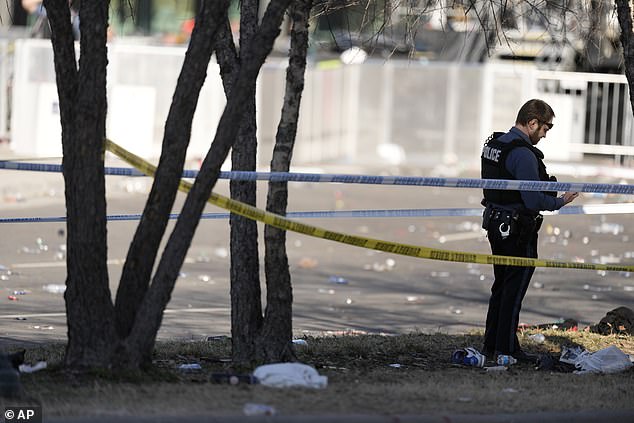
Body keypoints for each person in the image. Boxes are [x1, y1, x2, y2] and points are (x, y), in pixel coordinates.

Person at [480, 99, 579, 365]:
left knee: (501, 285)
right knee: (513, 289)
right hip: (516, 228)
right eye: (546, 127)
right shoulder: (523, 154)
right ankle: (508, 349)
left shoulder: (496, 144)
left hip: (495, 222)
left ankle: (492, 344)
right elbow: (533, 200)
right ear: (532, 122)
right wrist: (560, 201)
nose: (545, 134)